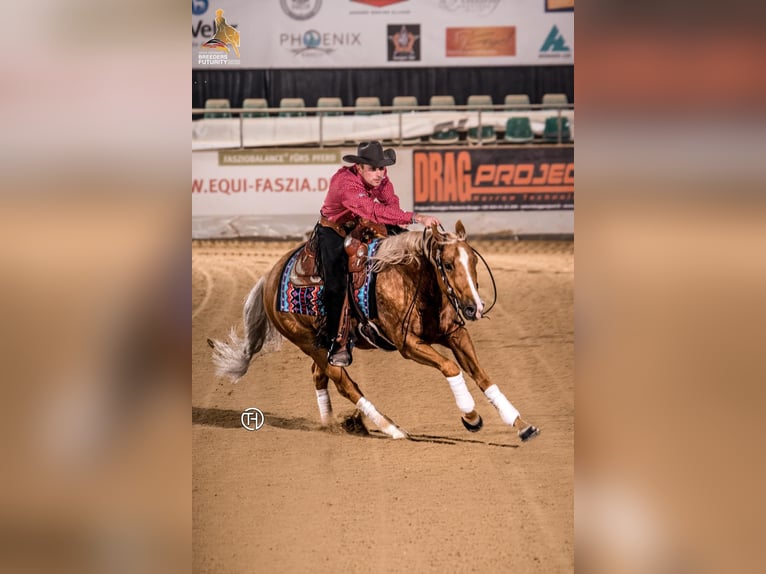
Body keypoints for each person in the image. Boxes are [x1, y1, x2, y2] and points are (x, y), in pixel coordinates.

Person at [317, 141, 441, 367]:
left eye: (381, 168)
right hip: (333, 230)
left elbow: (390, 205)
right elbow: (373, 210)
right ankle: (336, 340)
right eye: (373, 169)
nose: (378, 174)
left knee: (399, 244)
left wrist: (400, 225)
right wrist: (417, 218)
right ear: (359, 168)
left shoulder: (381, 180)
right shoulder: (345, 183)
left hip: (360, 223)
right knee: (335, 282)